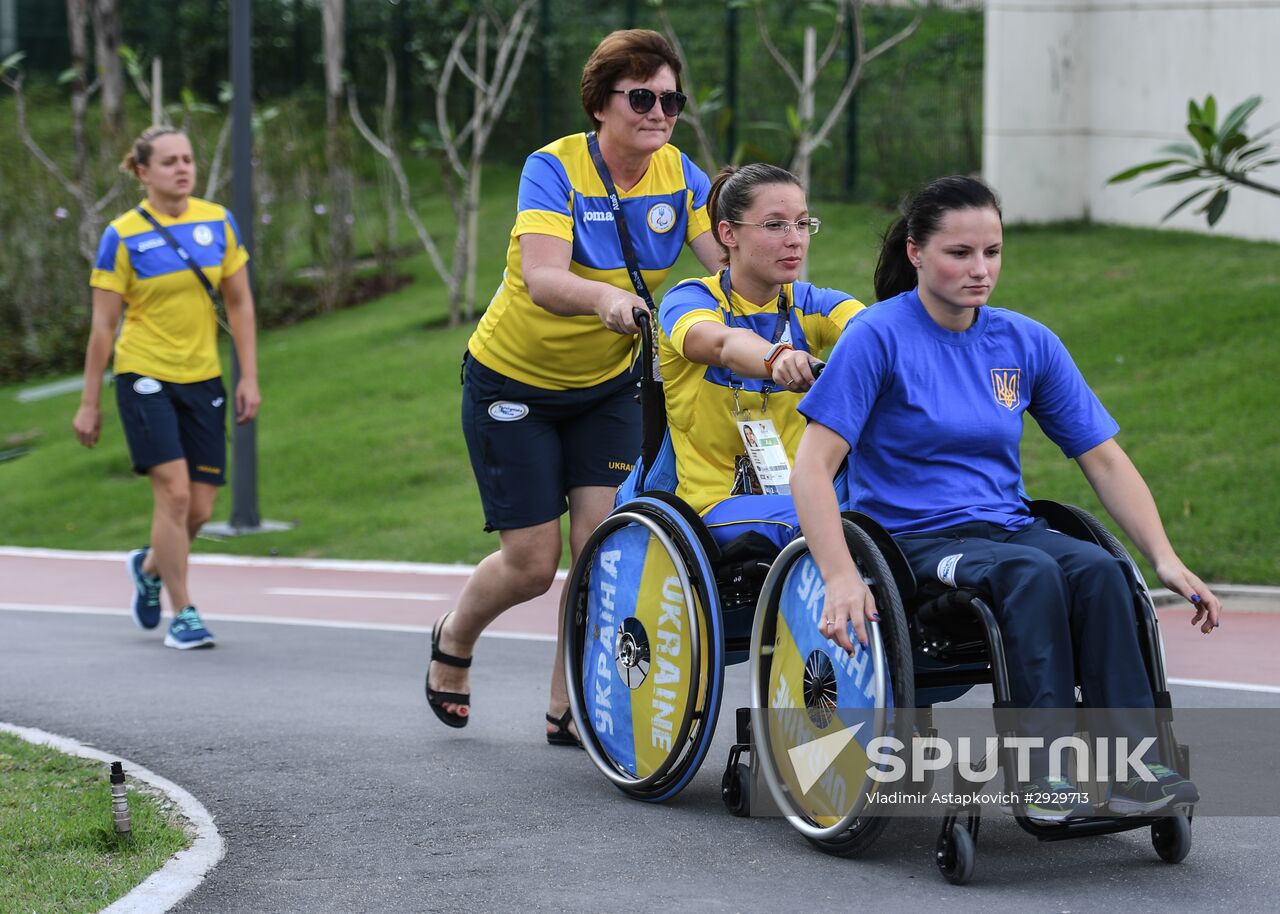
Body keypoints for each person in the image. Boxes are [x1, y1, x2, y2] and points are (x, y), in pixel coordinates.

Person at [790, 175, 1222, 819]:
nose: (980, 269)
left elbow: (1102, 458)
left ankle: (1134, 767)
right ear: (915, 253)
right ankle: (1041, 775)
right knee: (1030, 574)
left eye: (991, 252)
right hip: (913, 542)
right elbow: (810, 469)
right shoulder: (877, 336)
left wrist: (1162, 557)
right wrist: (839, 575)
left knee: (1103, 572)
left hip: (1005, 526)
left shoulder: (1025, 341)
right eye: (959, 253)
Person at [426, 30, 725, 737]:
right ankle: (454, 637)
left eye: (671, 99)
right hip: (514, 382)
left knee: (603, 547)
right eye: (643, 96)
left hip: (606, 388)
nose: (659, 112)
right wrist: (605, 300)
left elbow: (726, 273)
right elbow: (543, 276)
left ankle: (572, 701)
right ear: (601, 102)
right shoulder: (553, 166)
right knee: (533, 563)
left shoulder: (682, 177)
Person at [74, 125, 260, 650]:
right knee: (174, 494)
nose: (182, 168)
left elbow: (241, 303)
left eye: (188, 159)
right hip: (143, 375)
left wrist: (249, 376)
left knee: (199, 509)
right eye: (169, 161)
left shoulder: (218, 222)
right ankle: (185, 613)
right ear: (142, 171)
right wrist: (90, 403)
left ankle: (150, 567)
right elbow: (102, 329)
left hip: (204, 377)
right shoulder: (122, 235)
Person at [657, 163, 862, 551]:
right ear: (727, 233)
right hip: (714, 506)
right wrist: (776, 357)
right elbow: (721, 344)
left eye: (802, 224)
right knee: (824, 522)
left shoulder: (814, 303)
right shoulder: (689, 300)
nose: (795, 239)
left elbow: (876, 335)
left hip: (804, 492)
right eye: (774, 225)